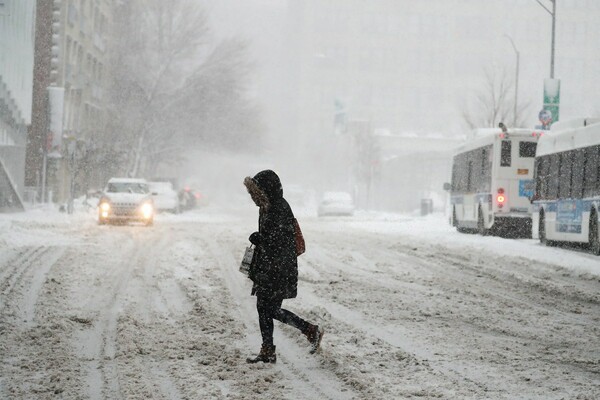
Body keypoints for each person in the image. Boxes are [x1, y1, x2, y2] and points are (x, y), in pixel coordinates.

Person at [244, 169, 324, 364]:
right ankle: (269, 349)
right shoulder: (267, 206)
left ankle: (309, 330)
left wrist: (260, 239)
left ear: (266, 189)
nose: (253, 197)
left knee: (269, 309)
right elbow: (272, 238)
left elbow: (280, 241)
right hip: (270, 267)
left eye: (256, 191)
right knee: (265, 308)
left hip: (278, 269)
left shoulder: (278, 207)